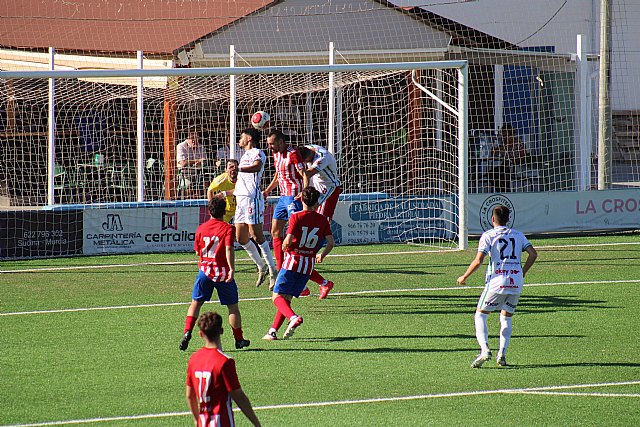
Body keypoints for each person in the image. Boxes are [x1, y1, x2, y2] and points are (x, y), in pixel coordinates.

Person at [456, 205, 538, 368]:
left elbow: (479, 260)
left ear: (492, 219)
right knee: (506, 317)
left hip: (496, 281)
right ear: (508, 219)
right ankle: (502, 354)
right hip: (515, 282)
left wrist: (464, 276)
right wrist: (522, 272)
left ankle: (485, 350)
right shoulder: (518, 235)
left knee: (480, 315)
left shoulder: (488, 235)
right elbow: (533, 254)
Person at [262, 187, 335, 341]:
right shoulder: (322, 220)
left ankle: (293, 318)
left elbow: (287, 240)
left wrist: (284, 247)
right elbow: (330, 242)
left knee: (276, 297)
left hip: (292, 262)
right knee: (286, 297)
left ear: (302, 200)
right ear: (317, 202)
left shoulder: (296, 217)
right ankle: (272, 331)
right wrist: (322, 254)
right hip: (308, 265)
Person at [179, 197, 251, 352]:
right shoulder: (228, 228)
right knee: (232, 307)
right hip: (223, 274)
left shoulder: (201, 228)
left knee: (195, 304)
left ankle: (187, 332)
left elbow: (198, 251)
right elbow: (228, 249)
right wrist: (231, 268)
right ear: (224, 211)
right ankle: (239, 339)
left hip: (204, 272)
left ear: (209, 211)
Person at [186, 311, 261, 427]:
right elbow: (238, 396)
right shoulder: (224, 361)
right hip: (222, 422)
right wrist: (256, 424)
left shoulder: (194, 359)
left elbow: (190, 395)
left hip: (203, 422)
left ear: (201, 334)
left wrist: (197, 420)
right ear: (221, 331)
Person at [297, 144, 342, 299]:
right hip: (317, 188)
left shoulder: (321, 158)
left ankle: (314, 254)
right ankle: (310, 282)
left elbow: (308, 173)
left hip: (329, 191)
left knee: (319, 225)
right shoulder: (308, 149)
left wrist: (301, 175)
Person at [234, 128, 278, 288]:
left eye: (242, 136)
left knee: (256, 234)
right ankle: (262, 265)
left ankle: (273, 270)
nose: (240, 139)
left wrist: (239, 168)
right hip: (241, 199)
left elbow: (257, 167)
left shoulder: (257, 152)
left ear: (249, 138)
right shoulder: (244, 155)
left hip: (252, 198)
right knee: (240, 237)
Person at [262, 130, 305, 281]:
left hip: (294, 196)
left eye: (272, 144)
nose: (269, 147)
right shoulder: (275, 154)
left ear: (281, 142)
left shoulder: (293, 153)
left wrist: (304, 191)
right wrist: (267, 190)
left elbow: (303, 172)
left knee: (294, 234)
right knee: (275, 231)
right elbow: (278, 175)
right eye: (268, 144)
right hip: (282, 197)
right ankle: (281, 268)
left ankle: (296, 266)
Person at [489, 124, 528, 193]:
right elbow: (494, 153)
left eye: (505, 135)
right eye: (502, 136)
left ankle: (506, 191)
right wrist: (495, 147)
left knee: (502, 173)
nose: (503, 137)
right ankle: (502, 191)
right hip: (505, 166)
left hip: (516, 167)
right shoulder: (503, 144)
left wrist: (513, 159)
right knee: (492, 173)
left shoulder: (518, 143)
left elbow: (523, 156)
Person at [177, 130, 207, 199]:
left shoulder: (201, 147)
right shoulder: (181, 146)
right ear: (187, 138)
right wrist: (196, 161)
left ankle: (204, 202)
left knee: (207, 182)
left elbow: (204, 161)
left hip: (199, 173)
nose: (194, 140)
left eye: (196, 138)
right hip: (184, 174)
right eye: (192, 138)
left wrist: (191, 162)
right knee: (189, 186)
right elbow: (183, 163)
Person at [207, 159, 239, 223]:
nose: (233, 170)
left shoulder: (243, 178)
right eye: (230, 167)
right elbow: (210, 191)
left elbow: (241, 189)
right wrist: (212, 207)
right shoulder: (221, 179)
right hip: (225, 212)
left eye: (235, 167)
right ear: (226, 170)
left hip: (240, 210)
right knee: (214, 226)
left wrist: (225, 193)